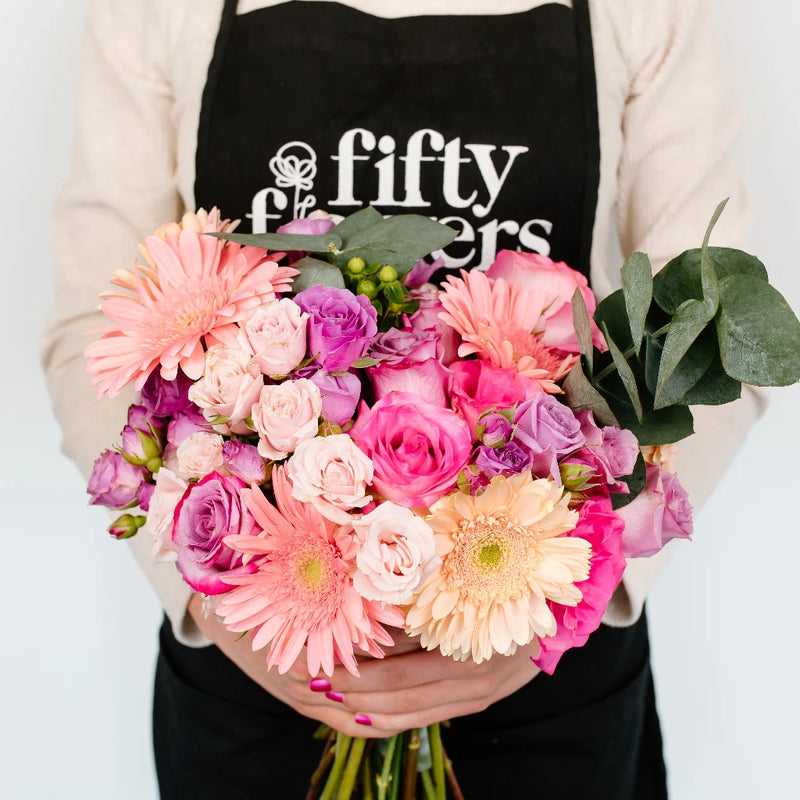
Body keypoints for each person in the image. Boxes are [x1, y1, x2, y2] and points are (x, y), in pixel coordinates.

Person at [42, 1, 765, 797]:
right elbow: (93, 325)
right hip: (258, 680)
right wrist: (211, 604)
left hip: (548, 688)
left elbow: (715, 332)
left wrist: (562, 607)